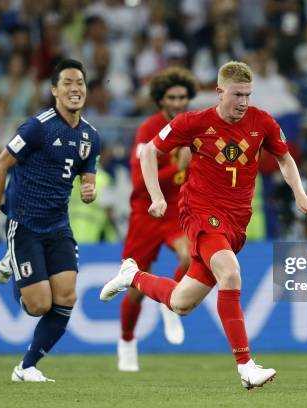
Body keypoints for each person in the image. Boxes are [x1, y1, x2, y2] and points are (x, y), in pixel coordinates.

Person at [100, 61, 307, 389]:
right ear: (219, 93)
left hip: (236, 222)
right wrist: (157, 197)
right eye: (236, 95)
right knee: (230, 273)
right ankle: (246, 366)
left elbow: (285, 158)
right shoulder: (194, 122)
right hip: (201, 214)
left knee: (180, 303)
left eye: (247, 94)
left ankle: (132, 275)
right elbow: (148, 152)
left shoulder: (263, 123)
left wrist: (300, 195)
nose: (243, 102)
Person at [0, 59, 101, 382]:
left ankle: (26, 367)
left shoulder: (91, 136)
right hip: (25, 223)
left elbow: (87, 173)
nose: (75, 88)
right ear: (54, 90)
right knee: (39, 306)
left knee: (67, 297)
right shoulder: (38, 126)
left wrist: (89, 187)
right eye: (68, 83)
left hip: (58, 225)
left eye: (80, 83)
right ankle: (12, 263)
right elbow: (1, 165)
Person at [117, 67, 198, 372]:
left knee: (192, 256)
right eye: (171, 97)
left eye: (182, 97)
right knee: (135, 287)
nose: (178, 103)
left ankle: (172, 301)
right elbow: (139, 182)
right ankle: (126, 341)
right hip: (146, 212)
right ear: (160, 100)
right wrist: (177, 166)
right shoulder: (147, 130)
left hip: (177, 211)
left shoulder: (193, 127)